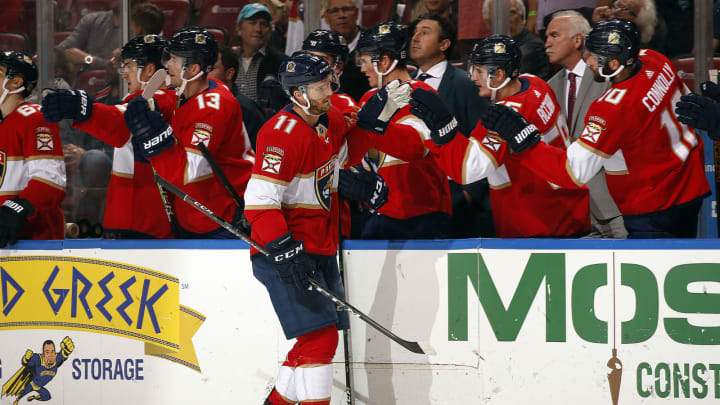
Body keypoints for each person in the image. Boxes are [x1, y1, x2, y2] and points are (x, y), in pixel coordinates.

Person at [484, 19, 710, 238]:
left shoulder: (612, 108)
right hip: (689, 184)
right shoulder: (655, 60)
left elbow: (573, 172)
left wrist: (527, 140)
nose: (587, 60)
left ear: (614, 64)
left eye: (593, 56)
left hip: (653, 204)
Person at [244, 52, 351, 405]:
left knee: (312, 341)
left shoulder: (330, 118)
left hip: (318, 246)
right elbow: (260, 202)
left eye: (328, 84)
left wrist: (376, 121)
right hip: (282, 252)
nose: (328, 92)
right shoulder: (279, 134)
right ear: (299, 93)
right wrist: (284, 248)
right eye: (320, 87)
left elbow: (347, 152)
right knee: (321, 339)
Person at [409, 35, 591, 237]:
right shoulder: (535, 83)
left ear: (499, 74)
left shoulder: (506, 115)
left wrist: (443, 129)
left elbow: (469, 169)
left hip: (539, 222)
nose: (472, 77)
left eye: (478, 70)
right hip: (569, 209)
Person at [124, 27, 255, 238]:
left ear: (193, 70)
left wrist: (155, 140)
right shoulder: (190, 93)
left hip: (224, 218)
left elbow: (191, 172)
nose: (167, 65)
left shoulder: (212, 108)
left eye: (174, 60)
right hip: (197, 214)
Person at [43, 34, 176, 239]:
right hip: (135, 215)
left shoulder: (161, 100)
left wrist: (84, 110)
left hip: (143, 219)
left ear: (150, 70)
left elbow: (121, 123)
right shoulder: (156, 100)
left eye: (130, 66)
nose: (124, 74)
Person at [356, 21, 453, 239]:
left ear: (385, 62)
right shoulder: (367, 99)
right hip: (377, 214)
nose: (362, 69)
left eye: (365, 61)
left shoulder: (421, 95)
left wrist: (372, 127)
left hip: (421, 215)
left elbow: (415, 147)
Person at [410, 13, 493, 238]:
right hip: (412, 197)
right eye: (415, 32)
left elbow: (484, 138)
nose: (415, 38)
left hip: (455, 198)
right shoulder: (403, 84)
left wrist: (468, 194)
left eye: (425, 32)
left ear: (444, 44)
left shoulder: (465, 84)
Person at [545, 10, 626, 238]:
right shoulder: (548, 87)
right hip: (573, 208)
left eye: (554, 35)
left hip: (614, 203)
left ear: (577, 40)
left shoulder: (608, 74)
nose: (547, 43)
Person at [0, 51, 66, 248]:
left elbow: (50, 181)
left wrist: (16, 209)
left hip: (34, 240)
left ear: (16, 82)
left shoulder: (34, 118)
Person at [209, 45, 268, 150]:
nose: (202, 73)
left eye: (210, 69)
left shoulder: (246, 110)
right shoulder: (194, 105)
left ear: (229, 74)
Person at [233, 3, 288, 113]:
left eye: (263, 24)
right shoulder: (228, 60)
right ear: (239, 29)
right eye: (252, 23)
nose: (258, 29)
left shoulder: (281, 62)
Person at [483, 0, 552, 80]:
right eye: (498, 14)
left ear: (522, 17)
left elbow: (506, 78)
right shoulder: (487, 46)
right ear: (487, 22)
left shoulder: (533, 46)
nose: (505, 18)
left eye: (511, 12)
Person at [1, 337, 74, 405]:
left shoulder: (56, 360)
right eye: (47, 352)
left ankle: (33, 397)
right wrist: (26, 358)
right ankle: (17, 399)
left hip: (39, 387)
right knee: (17, 397)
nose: (50, 355)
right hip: (30, 384)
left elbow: (62, 355)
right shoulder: (38, 359)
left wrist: (66, 351)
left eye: (52, 352)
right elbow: (27, 362)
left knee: (47, 397)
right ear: (43, 354)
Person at [323, 0, 370, 101]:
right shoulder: (321, 50)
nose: (341, 15)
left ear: (357, 13)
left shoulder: (372, 44)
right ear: (326, 17)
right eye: (335, 11)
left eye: (346, 9)